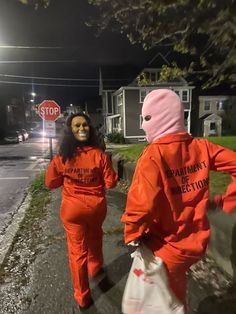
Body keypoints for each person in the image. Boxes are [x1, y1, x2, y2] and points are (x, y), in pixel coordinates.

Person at [121, 89, 236, 313]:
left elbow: (140, 205)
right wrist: (225, 201)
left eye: (145, 119)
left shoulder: (153, 155)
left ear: (158, 119)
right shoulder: (202, 147)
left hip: (167, 246)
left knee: (170, 301)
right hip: (196, 243)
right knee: (175, 290)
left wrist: (132, 234)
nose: (143, 126)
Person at [45, 112, 118, 308]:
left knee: (77, 253)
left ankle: (82, 297)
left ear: (89, 128)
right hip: (95, 208)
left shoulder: (62, 157)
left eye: (84, 125)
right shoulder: (100, 155)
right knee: (95, 237)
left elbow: (50, 183)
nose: (81, 128)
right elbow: (111, 183)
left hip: (72, 211)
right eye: (77, 126)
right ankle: (96, 269)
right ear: (71, 130)